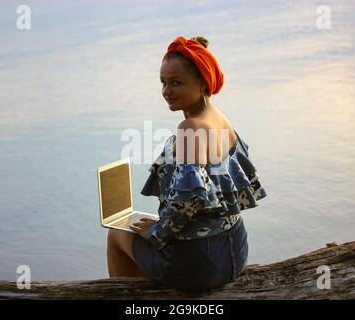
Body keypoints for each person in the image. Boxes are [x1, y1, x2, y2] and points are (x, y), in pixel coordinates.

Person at [107, 36, 267, 291]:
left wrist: (156, 232)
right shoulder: (221, 120)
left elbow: (187, 202)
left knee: (117, 233)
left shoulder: (190, 127)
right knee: (141, 223)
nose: (166, 91)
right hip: (235, 250)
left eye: (176, 83)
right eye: (163, 83)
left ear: (203, 83)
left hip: (198, 266)